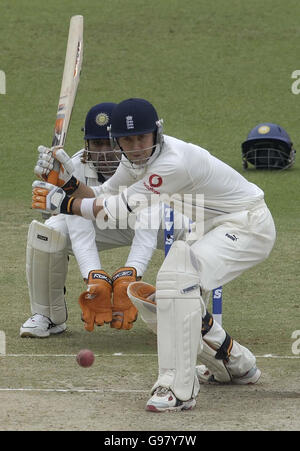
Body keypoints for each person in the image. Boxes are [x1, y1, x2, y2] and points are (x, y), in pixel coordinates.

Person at [31, 98, 276, 412]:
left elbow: (116, 209)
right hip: (210, 228)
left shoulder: (172, 162)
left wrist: (60, 202)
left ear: (157, 134)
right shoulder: (133, 162)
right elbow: (102, 198)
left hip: (247, 225)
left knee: (177, 280)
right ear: (116, 141)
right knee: (159, 300)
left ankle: (178, 389)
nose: (135, 147)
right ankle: (235, 363)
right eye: (127, 140)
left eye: (142, 138)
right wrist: (67, 183)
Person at [22, 101, 187, 337]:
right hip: (101, 223)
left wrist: (131, 273)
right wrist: (94, 277)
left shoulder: (144, 162)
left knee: (190, 229)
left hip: (151, 221)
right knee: (48, 231)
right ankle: (48, 316)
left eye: (107, 144)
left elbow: (148, 227)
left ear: (118, 140)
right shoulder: (74, 167)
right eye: (95, 144)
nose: (104, 152)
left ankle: (188, 314)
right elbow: (78, 223)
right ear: (86, 144)